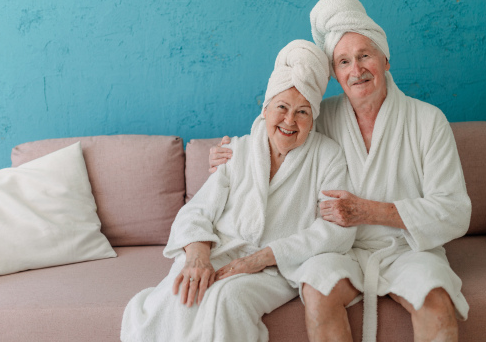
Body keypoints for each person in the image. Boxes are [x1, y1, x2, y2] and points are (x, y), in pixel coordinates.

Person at [210, 0, 471, 342]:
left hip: (408, 250)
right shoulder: (322, 116)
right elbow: (277, 132)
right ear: (334, 73)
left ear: (386, 59)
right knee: (317, 292)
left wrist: (369, 211)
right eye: (344, 62)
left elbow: (454, 211)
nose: (357, 70)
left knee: (437, 303)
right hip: (337, 250)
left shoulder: (428, 121)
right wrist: (232, 156)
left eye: (365, 56)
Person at [121, 40, 360, 342]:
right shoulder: (238, 150)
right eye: (282, 107)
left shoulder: (328, 156)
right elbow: (198, 210)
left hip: (275, 268)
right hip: (217, 253)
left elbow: (335, 229)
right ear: (266, 108)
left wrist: (262, 258)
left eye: (302, 112)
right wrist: (197, 256)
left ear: (312, 119)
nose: (290, 121)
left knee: (226, 300)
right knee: (179, 294)